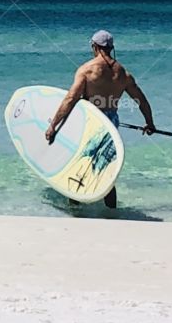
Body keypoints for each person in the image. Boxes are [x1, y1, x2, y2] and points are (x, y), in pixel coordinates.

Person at [45, 29, 155, 209]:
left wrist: (53, 126)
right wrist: (149, 123)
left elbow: (71, 99)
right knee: (106, 170)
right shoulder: (124, 74)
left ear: (94, 46)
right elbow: (141, 100)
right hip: (111, 123)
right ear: (111, 48)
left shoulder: (86, 70)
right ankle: (111, 213)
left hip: (90, 122)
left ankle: (75, 210)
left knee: (79, 165)